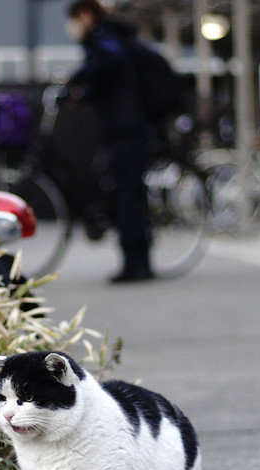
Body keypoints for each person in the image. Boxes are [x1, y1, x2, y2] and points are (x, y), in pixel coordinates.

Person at [64, 0, 154, 283]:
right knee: (129, 193)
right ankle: (138, 260)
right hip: (131, 125)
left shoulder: (103, 37)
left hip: (124, 128)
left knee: (126, 195)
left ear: (85, 15)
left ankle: (135, 263)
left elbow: (109, 64)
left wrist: (74, 80)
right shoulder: (114, 36)